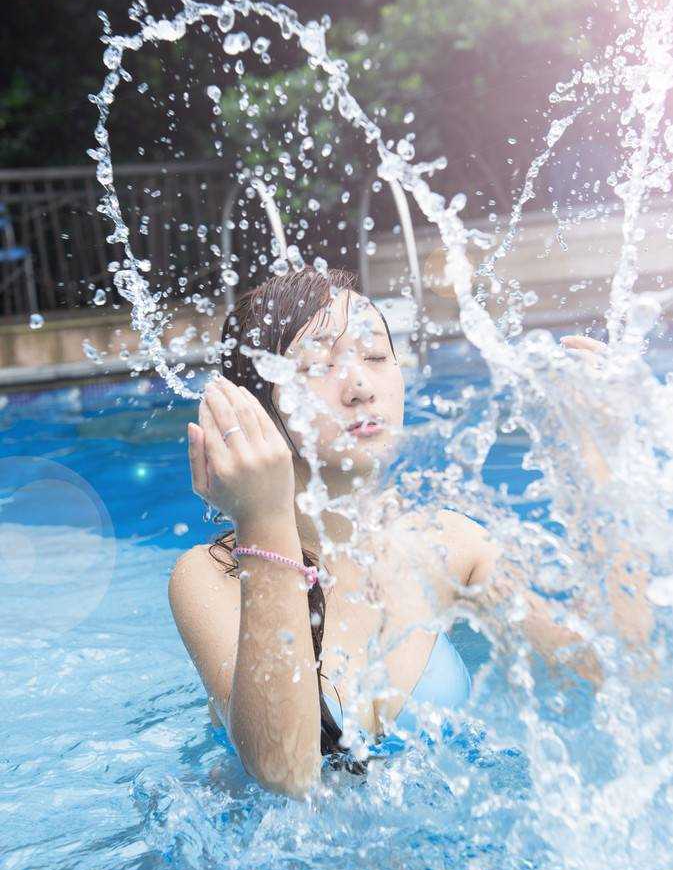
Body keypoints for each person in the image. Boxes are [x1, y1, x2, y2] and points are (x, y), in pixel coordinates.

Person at [168, 267, 645, 800]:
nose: (359, 387)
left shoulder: (446, 545)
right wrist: (262, 516)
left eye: (375, 357)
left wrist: (598, 462)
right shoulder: (212, 577)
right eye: (320, 365)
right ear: (256, 408)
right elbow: (286, 774)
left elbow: (608, 671)